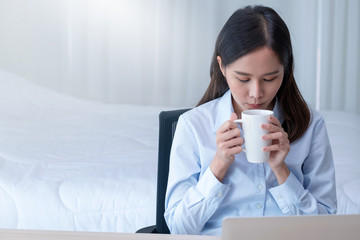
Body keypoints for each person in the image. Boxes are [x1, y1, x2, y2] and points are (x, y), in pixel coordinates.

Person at [164, 5, 337, 236]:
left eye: (269, 78)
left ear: (285, 70)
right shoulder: (194, 125)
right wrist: (218, 165)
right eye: (243, 78)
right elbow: (178, 228)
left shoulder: (311, 126)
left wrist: (281, 170)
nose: (256, 93)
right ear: (222, 67)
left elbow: (325, 230)